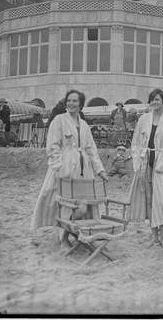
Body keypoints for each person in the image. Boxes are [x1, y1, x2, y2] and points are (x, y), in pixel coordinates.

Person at [31, 89, 108, 251]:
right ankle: (63, 239)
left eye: (75, 101)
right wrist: (58, 167)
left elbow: (91, 149)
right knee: (64, 203)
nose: (71, 104)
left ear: (80, 104)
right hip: (64, 167)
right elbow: (53, 146)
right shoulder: (59, 120)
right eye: (69, 101)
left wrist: (99, 169)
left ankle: (80, 234)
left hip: (83, 169)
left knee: (82, 203)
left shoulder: (85, 125)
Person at [128, 89, 163, 249]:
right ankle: (154, 236)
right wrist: (138, 160)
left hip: (161, 163)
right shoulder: (143, 119)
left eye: (157, 99)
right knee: (149, 200)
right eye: (151, 100)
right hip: (146, 162)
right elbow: (135, 142)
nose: (154, 102)